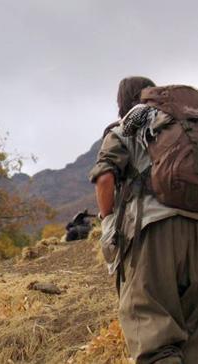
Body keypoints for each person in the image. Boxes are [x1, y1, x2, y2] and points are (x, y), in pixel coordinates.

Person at [90, 76, 198, 363]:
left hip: (154, 233)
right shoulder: (182, 125)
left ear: (121, 103)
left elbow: (104, 177)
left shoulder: (129, 125)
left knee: (154, 336)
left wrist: (108, 222)